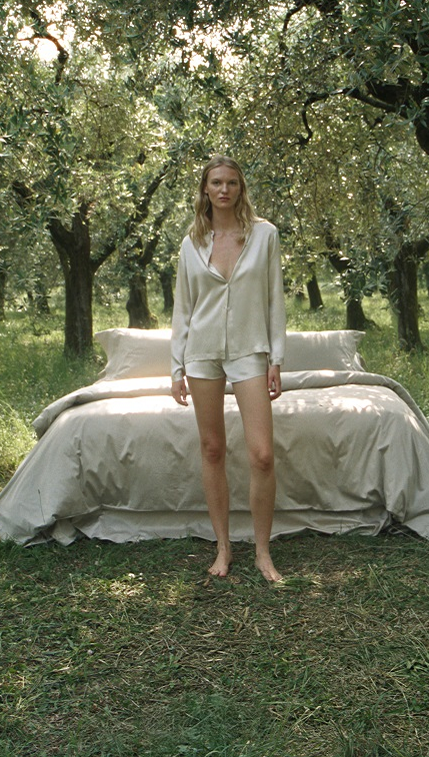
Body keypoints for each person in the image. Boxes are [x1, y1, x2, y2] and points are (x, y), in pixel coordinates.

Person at [170, 155, 287, 582]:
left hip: (249, 350)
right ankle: (223, 547)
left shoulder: (264, 235)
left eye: (232, 183)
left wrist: (276, 358)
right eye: (216, 182)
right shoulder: (191, 243)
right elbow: (183, 308)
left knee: (262, 455)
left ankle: (262, 552)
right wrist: (176, 367)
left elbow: (274, 299)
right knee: (212, 449)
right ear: (205, 189)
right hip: (201, 352)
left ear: (241, 188)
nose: (224, 189)